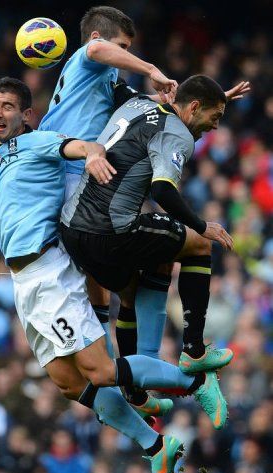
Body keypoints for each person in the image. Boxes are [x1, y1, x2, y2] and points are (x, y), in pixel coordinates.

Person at [0, 77, 228, 473]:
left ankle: (196, 383)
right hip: (23, 284)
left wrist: (94, 153)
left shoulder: (40, 141)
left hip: (49, 273)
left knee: (99, 370)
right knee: (69, 383)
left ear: (27, 115)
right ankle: (157, 448)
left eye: (7, 106)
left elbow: (77, 147)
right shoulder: (6, 153)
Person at [60, 75, 235, 383]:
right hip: (111, 230)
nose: (216, 126)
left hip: (72, 230)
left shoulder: (136, 102)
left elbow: (117, 84)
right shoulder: (176, 133)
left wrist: (219, 97)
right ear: (193, 107)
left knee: (131, 291)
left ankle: (134, 389)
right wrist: (201, 226)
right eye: (215, 116)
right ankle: (194, 351)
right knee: (198, 244)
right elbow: (163, 191)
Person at [38, 6, 178, 384]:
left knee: (106, 278)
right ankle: (130, 368)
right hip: (69, 169)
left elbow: (143, 107)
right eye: (123, 46)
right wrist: (151, 68)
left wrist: (198, 106)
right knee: (111, 266)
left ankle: (129, 373)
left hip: (71, 171)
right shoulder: (89, 59)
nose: (125, 54)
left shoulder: (106, 79)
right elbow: (98, 51)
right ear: (100, 38)